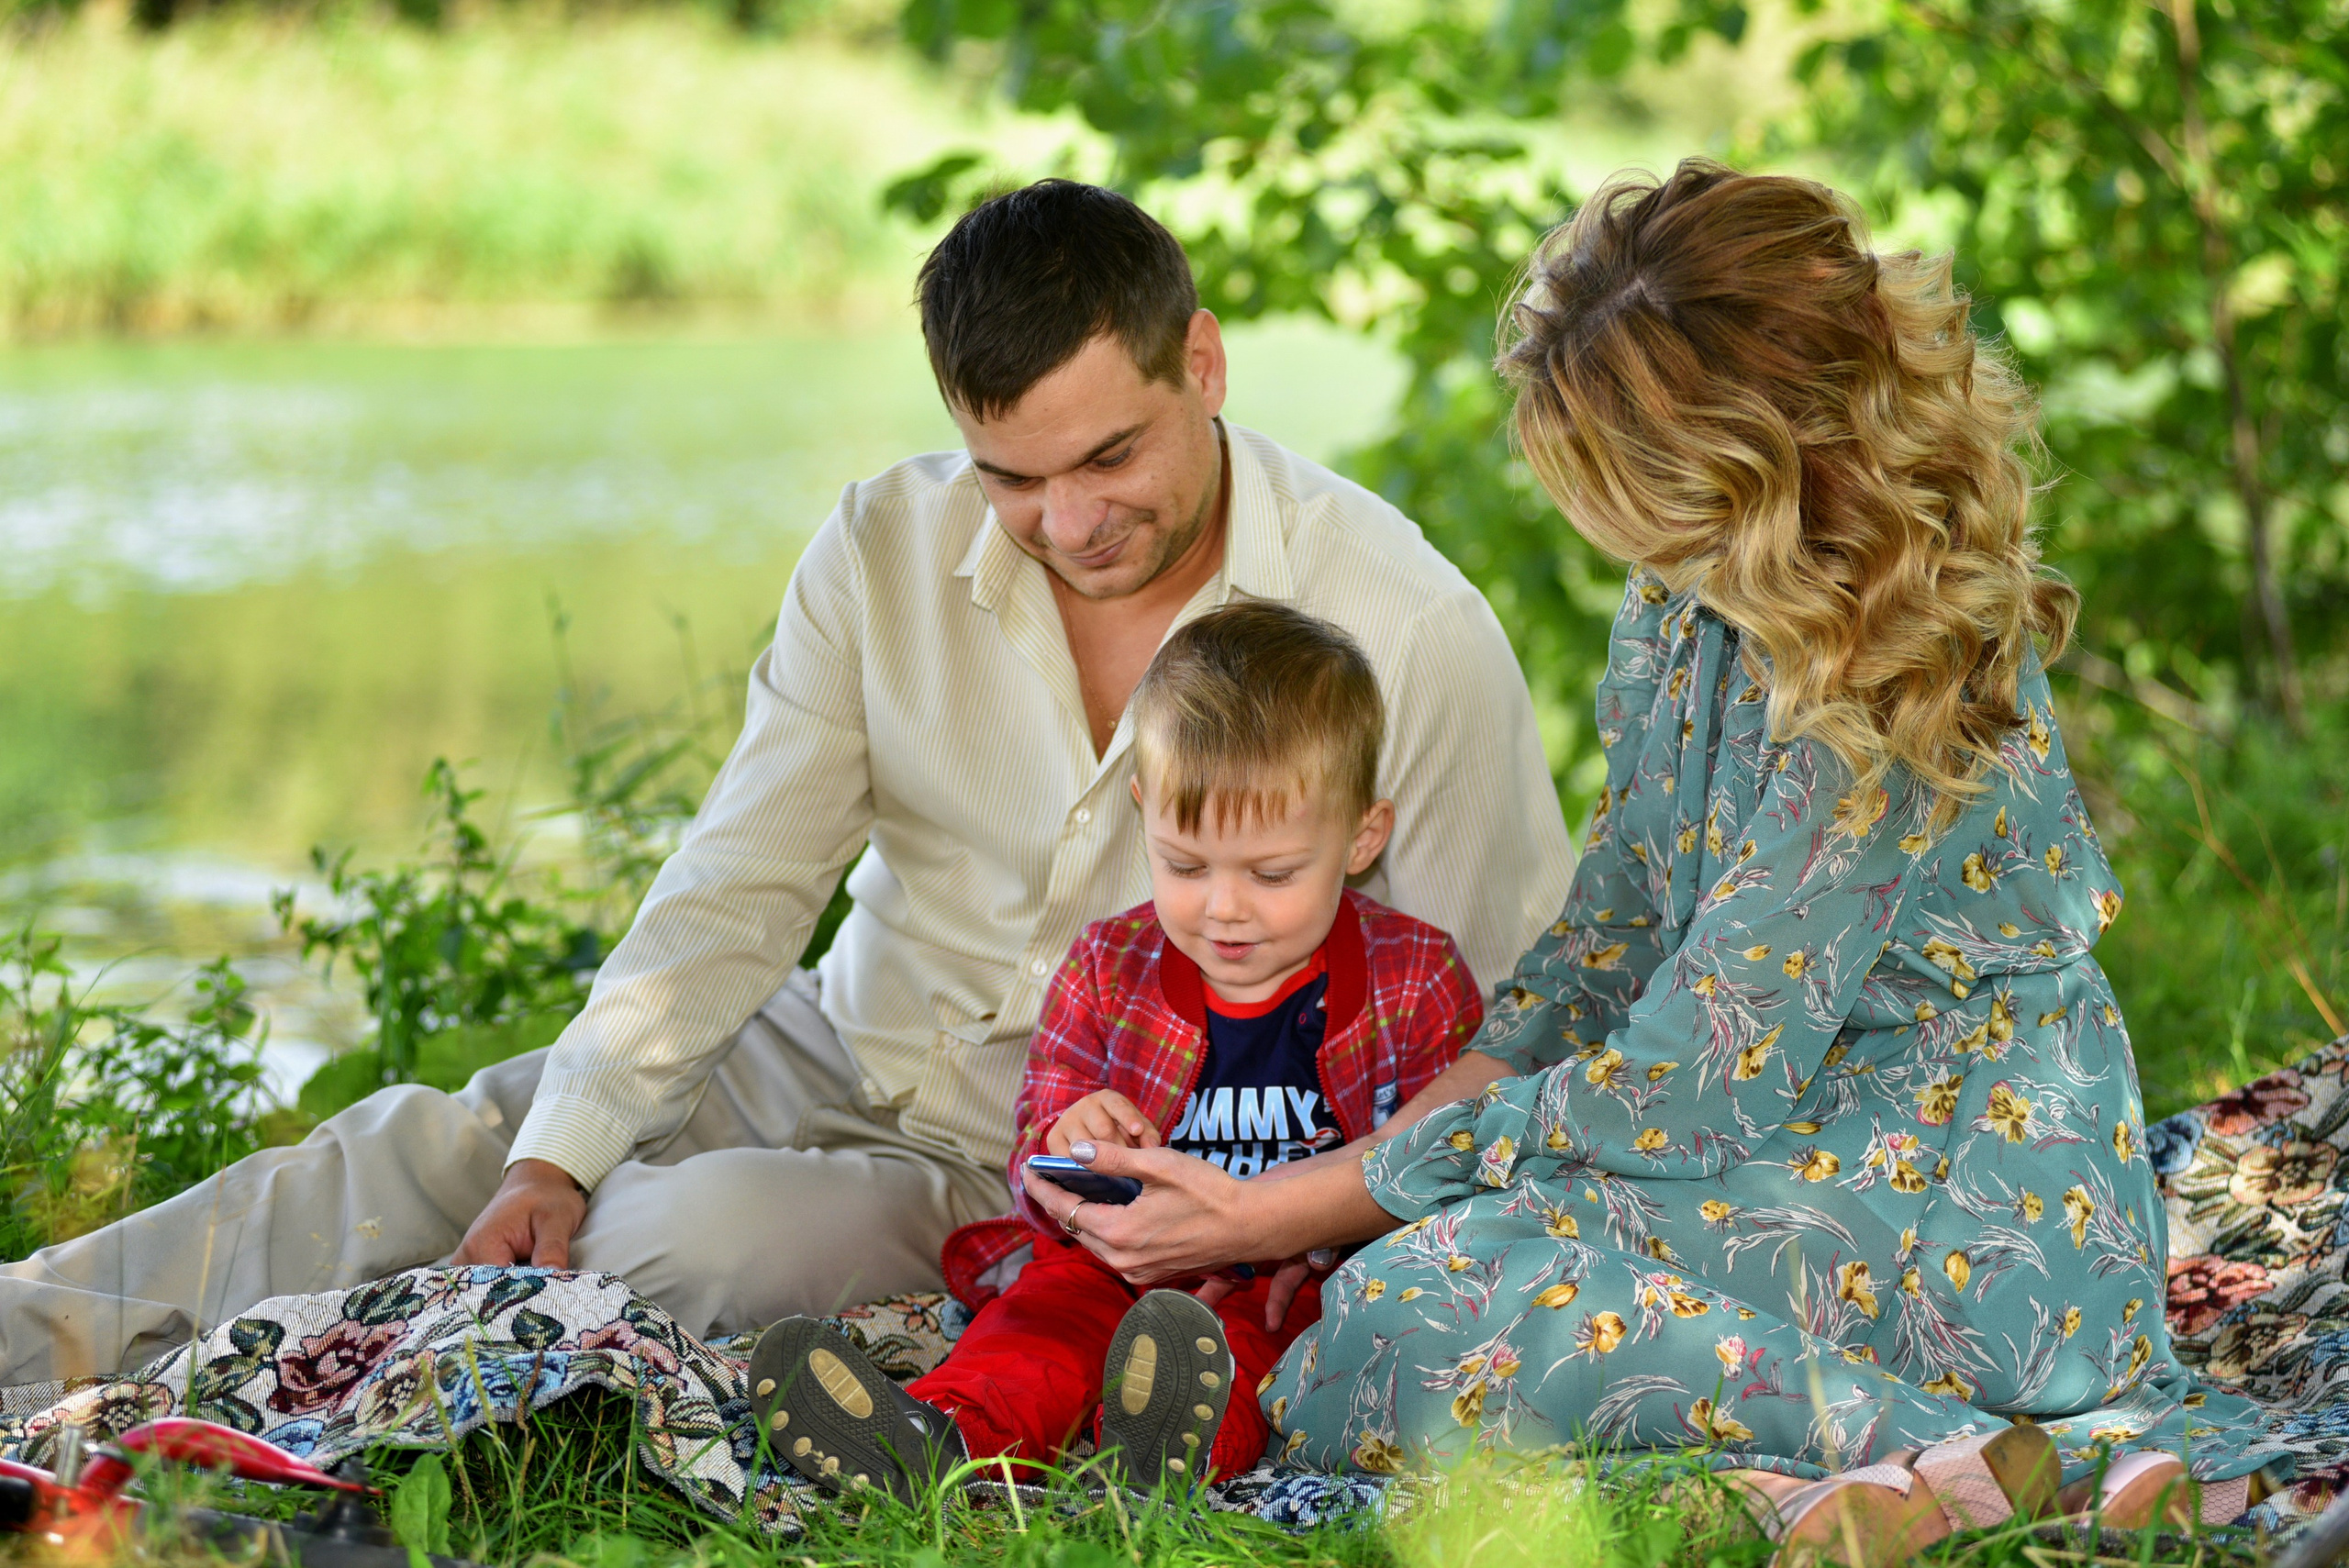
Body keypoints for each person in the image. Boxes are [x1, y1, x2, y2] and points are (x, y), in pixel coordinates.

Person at [0, 181, 1576, 1388]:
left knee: (684, 1233)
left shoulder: (1401, 623)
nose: (1068, 520)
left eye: (1109, 458)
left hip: (1067, 1167)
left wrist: (1255, 1219)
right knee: (458, 1136)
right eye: (1010, 475)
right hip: (835, 1033)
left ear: (1206, 363)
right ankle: (30, 1338)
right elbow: (743, 877)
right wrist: (557, 1145)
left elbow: (1501, 1019)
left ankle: (442, 1330)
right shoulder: (882, 548)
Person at [1019, 161, 2281, 1560]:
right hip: (1784, 1143)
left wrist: (1295, 1201)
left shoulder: (1890, 661)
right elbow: (1605, 942)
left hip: (1968, 1187)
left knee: (1404, 1314)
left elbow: (1693, 1076)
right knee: (1388, 1301)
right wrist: (1377, 1167)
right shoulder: (1680, 605)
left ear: (1729, 460)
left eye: (1613, 477)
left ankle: (1998, 1456)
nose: (1590, 514)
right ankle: (1851, 1489)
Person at [738, 601, 1507, 1500]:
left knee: (1244, 1355)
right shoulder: (1110, 965)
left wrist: (1334, 1232)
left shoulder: (1411, 975)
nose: (1223, 906)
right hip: (1115, 1255)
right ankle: (932, 1438)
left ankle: (1157, 1454)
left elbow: (1445, 1158)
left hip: (1289, 1280)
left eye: (1270, 873)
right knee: (1036, 1326)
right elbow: (1036, 1138)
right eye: (1185, 864)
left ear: (1361, 836)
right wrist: (1072, 1131)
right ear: (1142, 810)